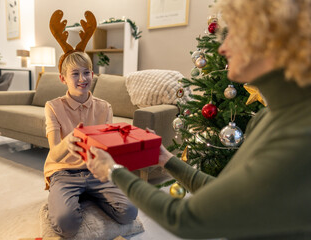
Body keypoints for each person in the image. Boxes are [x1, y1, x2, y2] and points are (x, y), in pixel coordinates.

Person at [85, 0, 311, 239]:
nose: (222, 48)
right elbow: (224, 196)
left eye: (234, 34)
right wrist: (167, 160)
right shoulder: (269, 116)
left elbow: (184, 218)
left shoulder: (300, 134)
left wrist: (114, 171)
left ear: (271, 41)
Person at [43, 51, 138, 238]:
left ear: (92, 75)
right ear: (63, 79)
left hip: (97, 170)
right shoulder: (53, 107)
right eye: (75, 73)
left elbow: (109, 149)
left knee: (129, 213)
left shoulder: (104, 107)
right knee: (66, 225)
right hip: (64, 172)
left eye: (86, 72)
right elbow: (54, 153)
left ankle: (86, 196)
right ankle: (71, 197)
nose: (82, 78)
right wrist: (70, 140)